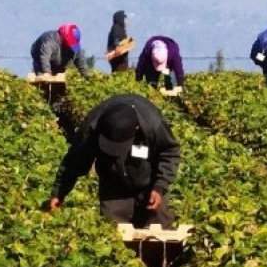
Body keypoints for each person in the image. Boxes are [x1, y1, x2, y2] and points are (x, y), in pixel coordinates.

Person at [49, 95, 180, 228]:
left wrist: (159, 187)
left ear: (136, 129)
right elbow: (75, 160)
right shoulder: (92, 125)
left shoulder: (153, 123)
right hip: (113, 186)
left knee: (160, 231)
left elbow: (169, 152)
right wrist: (59, 193)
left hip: (149, 184)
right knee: (114, 233)